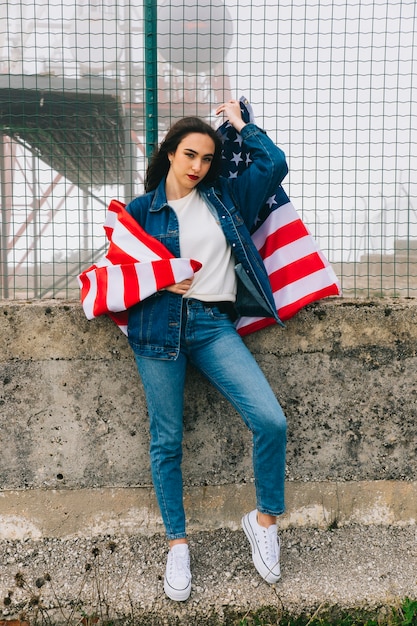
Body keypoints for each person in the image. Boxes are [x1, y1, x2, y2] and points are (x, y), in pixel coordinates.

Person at [124, 99, 288, 601]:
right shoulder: (138, 211)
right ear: (170, 153)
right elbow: (115, 278)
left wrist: (243, 126)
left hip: (214, 325)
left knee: (270, 420)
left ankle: (263, 521)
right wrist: (155, 281)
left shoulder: (224, 199)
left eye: (207, 158)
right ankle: (177, 543)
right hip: (156, 328)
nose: (198, 166)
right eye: (190, 155)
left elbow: (274, 164)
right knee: (166, 440)